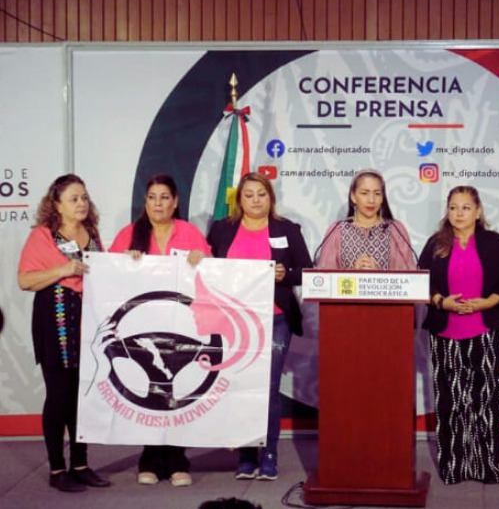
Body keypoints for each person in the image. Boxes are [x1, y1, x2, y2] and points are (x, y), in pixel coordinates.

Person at [207, 171, 313, 481]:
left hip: (276, 318)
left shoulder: (287, 230)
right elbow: (208, 268)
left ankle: (268, 454)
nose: (256, 200)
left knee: (266, 389)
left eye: (261, 194)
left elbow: (306, 271)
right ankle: (246, 456)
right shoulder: (221, 230)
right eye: (249, 195)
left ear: (271, 198)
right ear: (239, 200)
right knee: (239, 386)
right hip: (233, 323)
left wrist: (285, 273)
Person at [109, 173, 211, 487]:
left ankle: (178, 458)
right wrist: (126, 263)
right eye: (152, 197)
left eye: (164, 197)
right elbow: (107, 274)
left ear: (175, 202)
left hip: (181, 326)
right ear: (145, 202)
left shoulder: (190, 232)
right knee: (150, 388)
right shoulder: (129, 233)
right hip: (143, 325)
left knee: (176, 390)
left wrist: (201, 259)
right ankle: (150, 457)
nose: (158, 203)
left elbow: (212, 272)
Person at [17, 174, 111, 492]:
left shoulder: (92, 233)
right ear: (56, 204)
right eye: (74, 198)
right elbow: (25, 280)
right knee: (59, 396)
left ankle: (81, 464)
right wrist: (63, 270)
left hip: (88, 322)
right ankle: (58, 469)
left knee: (82, 397)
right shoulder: (43, 236)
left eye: (84, 197)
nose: (81, 203)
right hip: (55, 321)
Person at [418, 185, 499, 485]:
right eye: (453, 207)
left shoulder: (494, 242)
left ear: (478, 211)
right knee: (451, 402)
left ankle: (490, 467)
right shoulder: (436, 243)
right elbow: (419, 282)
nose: (458, 213)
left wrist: (488, 302)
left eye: (465, 207)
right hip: (445, 332)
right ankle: (455, 467)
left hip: (484, 331)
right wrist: (441, 302)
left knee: (486, 401)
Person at [315, 169, 416, 270]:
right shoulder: (337, 230)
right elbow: (325, 278)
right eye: (364, 193)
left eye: (377, 194)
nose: (371, 200)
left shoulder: (395, 230)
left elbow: (409, 278)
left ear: (382, 198)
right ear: (353, 196)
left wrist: (380, 275)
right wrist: (352, 273)